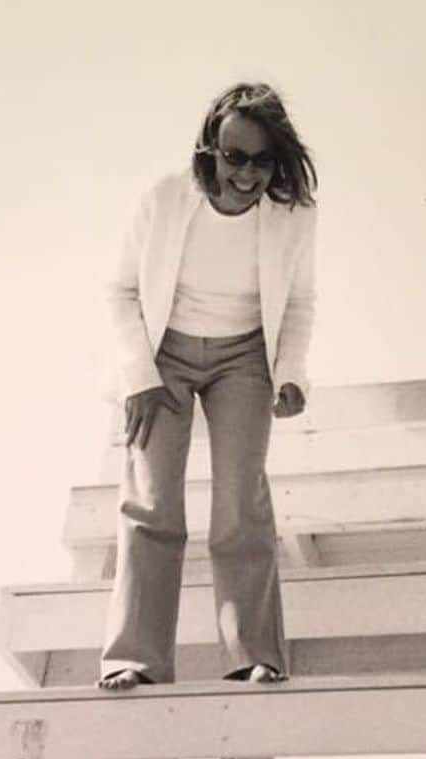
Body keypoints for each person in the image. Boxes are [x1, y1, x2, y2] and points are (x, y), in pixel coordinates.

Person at [100, 81, 318, 691]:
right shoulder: (165, 200)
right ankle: (134, 659)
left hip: (244, 357)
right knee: (150, 501)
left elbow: (299, 301)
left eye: (261, 160)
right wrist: (138, 377)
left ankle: (254, 655)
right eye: (234, 156)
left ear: (279, 160)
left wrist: (292, 371)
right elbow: (119, 293)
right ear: (210, 149)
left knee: (240, 501)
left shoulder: (295, 214)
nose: (246, 174)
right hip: (163, 355)